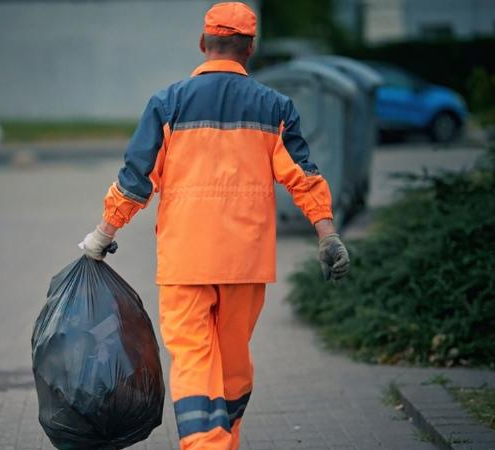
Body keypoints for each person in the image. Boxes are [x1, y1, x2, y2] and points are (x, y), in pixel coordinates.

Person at [79, 2, 350, 449]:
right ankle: (225, 440)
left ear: (204, 44)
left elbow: (135, 181)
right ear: (250, 49)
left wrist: (102, 236)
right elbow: (305, 177)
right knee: (232, 364)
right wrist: (327, 233)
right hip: (246, 262)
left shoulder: (168, 104)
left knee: (192, 361)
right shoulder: (275, 107)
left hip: (186, 261)